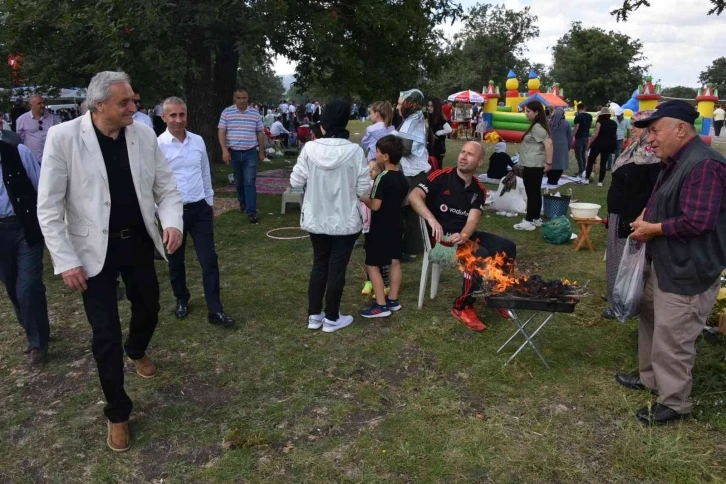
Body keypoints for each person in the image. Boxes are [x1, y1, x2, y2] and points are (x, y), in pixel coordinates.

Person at [36, 71, 183, 451]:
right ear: (98, 105)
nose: (134, 107)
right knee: (104, 335)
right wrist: (65, 260)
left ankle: (136, 349)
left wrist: (171, 223)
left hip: (136, 242)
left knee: (149, 307)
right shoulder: (64, 137)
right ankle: (118, 412)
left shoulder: (143, 133)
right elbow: (49, 207)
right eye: (125, 103)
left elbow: (165, 187)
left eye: (134, 100)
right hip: (89, 253)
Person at [616, 100, 726, 425]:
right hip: (664, 262)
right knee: (651, 317)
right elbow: (663, 199)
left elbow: (697, 222)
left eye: (654, 131)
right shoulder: (674, 160)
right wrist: (645, 216)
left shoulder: (704, 165)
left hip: (689, 269)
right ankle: (650, 378)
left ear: (680, 128)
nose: (650, 139)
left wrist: (653, 229)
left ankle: (675, 402)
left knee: (674, 334)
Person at [410, 141, 516, 330]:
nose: (463, 157)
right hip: (440, 240)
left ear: (479, 161)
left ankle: (496, 294)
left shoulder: (478, 190)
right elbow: (414, 196)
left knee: (508, 246)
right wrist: (432, 220)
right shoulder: (441, 177)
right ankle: (462, 306)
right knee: (478, 254)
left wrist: (465, 234)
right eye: (462, 152)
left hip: (462, 236)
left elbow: (472, 220)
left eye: (470, 154)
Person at [290, 100, 369, 333]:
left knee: (320, 265)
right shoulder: (355, 151)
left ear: (324, 123)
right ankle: (331, 317)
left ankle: (316, 315)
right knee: (336, 268)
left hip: (317, 218)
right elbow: (364, 189)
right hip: (345, 220)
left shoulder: (310, 149)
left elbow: (295, 182)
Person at [158, 97, 235, 328]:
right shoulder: (158, 145)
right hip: (173, 213)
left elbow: (204, 172)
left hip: (200, 208)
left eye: (182, 114)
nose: (178, 119)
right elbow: (154, 182)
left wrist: (209, 202)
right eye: (173, 115)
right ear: (164, 117)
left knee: (209, 259)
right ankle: (181, 298)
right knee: (176, 260)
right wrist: (160, 214)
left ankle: (215, 309)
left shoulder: (198, 141)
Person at [602, 110, 662, 320]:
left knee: (627, 261)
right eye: (633, 124)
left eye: (637, 125)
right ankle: (615, 296)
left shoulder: (654, 157)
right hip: (618, 212)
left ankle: (623, 301)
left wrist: (641, 216)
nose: (632, 128)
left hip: (633, 216)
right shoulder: (635, 149)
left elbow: (653, 191)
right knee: (616, 258)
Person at [0, 138, 50, 365]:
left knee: (28, 285)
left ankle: (39, 342)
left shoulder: (18, 152)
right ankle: (33, 329)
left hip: (23, 227)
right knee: (12, 285)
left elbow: (42, 188)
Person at [360, 135, 409, 318]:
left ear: (386, 156)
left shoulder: (382, 177)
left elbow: (375, 205)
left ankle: (381, 305)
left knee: (372, 264)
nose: (376, 154)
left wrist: (362, 197)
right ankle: (393, 300)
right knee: (395, 261)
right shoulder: (403, 178)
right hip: (397, 225)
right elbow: (402, 201)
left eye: (378, 152)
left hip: (381, 228)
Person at [217, 87, 266, 224]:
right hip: (233, 151)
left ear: (247, 98)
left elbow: (260, 133)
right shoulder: (227, 112)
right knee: (238, 181)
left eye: (244, 98)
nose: (241, 100)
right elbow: (221, 131)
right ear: (234, 99)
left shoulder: (254, 113)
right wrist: (224, 150)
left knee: (250, 181)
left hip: (250, 151)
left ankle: (251, 211)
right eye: (239, 98)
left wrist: (261, 151)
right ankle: (242, 202)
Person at [396, 89, 430, 259]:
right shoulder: (414, 119)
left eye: (400, 104)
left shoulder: (412, 122)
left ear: (410, 104)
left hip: (413, 172)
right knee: (411, 210)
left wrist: (389, 148)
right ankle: (412, 247)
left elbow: (407, 149)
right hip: (414, 170)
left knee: (411, 210)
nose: (397, 107)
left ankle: (410, 250)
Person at [513, 101, 552, 231]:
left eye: (528, 111)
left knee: (531, 193)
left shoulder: (537, 128)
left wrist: (548, 163)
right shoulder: (536, 126)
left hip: (533, 165)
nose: (526, 114)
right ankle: (536, 218)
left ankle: (529, 220)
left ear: (536, 112)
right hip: (532, 164)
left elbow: (549, 144)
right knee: (535, 192)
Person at [16, 94, 54, 162]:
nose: (42, 105)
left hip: (51, 157)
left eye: (43, 103)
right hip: (33, 160)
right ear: (31, 105)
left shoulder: (52, 118)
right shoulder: (22, 119)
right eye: (39, 103)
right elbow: (20, 139)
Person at [585, 107, 617, 187]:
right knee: (603, 163)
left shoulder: (599, 123)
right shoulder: (614, 123)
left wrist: (589, 144)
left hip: (597, 145)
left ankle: (586, 179)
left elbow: (595, 135)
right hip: (607, 146)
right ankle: (600, 182)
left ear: (601, 115)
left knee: (590, 162)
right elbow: (614, 135)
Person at [548, 107, 573, 186]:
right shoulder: (566, 123)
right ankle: (554, 180)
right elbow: (570, 136)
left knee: (551, 162)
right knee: (560, 163)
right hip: (562, 145)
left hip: (551, 144)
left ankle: (550, 178)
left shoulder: (550, 123)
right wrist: (569, 146)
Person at [426, 98, 452, 169]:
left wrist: (438, 133)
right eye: (428, 106)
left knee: (437, 169)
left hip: (438, 149)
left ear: (436, 107)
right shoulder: (431, 118)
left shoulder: (440, 119)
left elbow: (449, 129)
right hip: (432, 148)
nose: (429, 108)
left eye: (431, 106)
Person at [572, 103, 592, 178]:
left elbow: (576, 127)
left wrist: (572, 135)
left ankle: (581, 171)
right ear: (584, 108)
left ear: (578, 108)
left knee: (578, 155)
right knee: (583, 154)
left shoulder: (578, 116)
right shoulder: (589, 116)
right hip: (586, 136)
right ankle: (584, 170)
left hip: (579, 137)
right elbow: (590, 126)